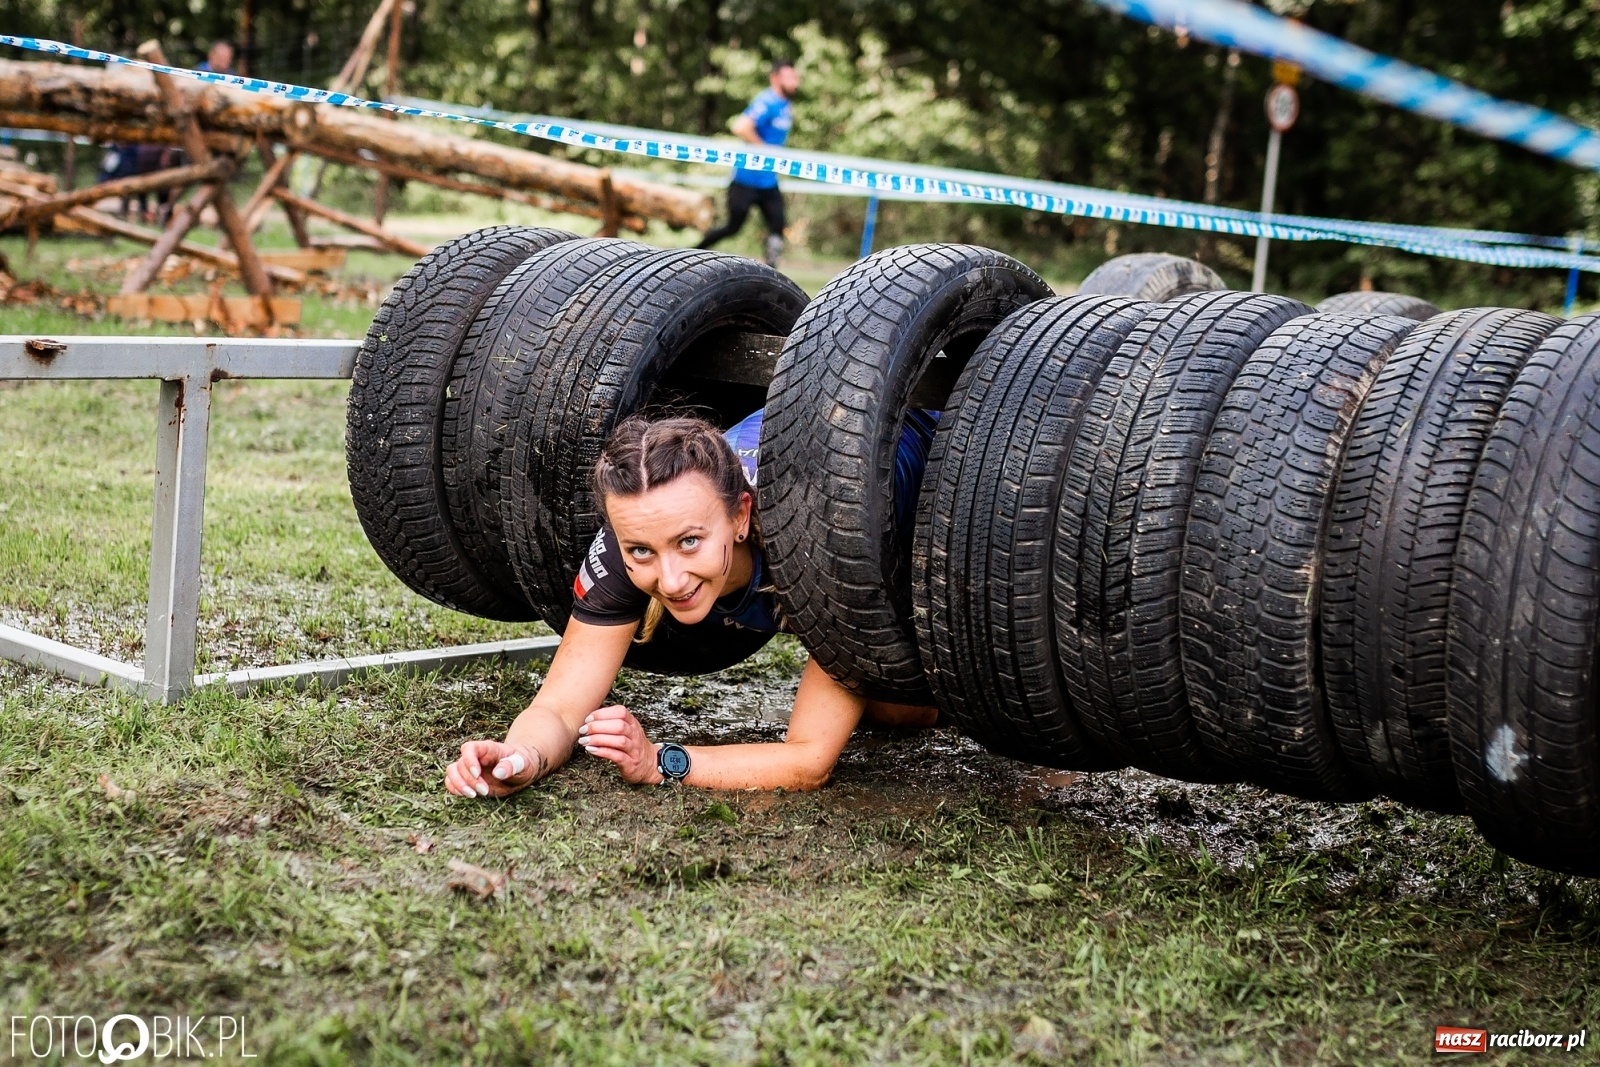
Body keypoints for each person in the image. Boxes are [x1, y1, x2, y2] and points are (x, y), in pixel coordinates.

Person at [442, 408, 941, 798]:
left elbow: (809, 762)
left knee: (902, 712)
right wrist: (520, 757)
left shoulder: (821, 544)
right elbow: (558, 706)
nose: (671, 579)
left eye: (689, 542)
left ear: (741, 516)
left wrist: (659, 761)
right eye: (641, 550)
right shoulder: (633, 537)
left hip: (938, 443)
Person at [696, 59, 799, 268]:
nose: (795, 82)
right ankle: (692, 251)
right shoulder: (766, 101)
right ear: (775, 78)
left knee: (778, 225)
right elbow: (741, 127)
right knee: (732, 227)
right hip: (746, 180)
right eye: (789, 77)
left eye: (795, 77)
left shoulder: (786, 105)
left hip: (768, 182)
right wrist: (765, 149)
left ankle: (771, 271)